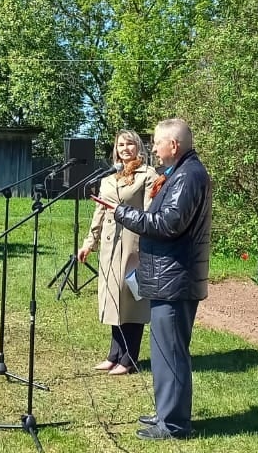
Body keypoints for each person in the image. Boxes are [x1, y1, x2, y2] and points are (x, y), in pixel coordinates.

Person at [113, 119, 210, 441]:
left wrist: (124, 213)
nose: (152, 148)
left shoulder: (188, 175)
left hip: (174, 279)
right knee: (163, 352)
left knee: (171, 352)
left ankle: (175, 424)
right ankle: (166, 412)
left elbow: (168, 223)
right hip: (168, 277)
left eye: (156, 142)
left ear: (174, 145)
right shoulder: (181, 173)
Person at [76, 130, 159, 376]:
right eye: (121, 144)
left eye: (130, 144)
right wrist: (89, 242)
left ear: (138, 148)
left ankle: (129, 358)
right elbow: (99, 213)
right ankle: (114, 354)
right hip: (110, 248)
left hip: (134, 246)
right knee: (113, 299)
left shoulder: (148, 175)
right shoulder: (108, 179)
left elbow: (149, 215)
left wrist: (147, 246)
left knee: (131, 301)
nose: (125, 148)